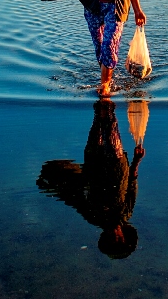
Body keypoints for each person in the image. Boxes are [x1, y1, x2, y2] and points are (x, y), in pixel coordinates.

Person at [37, 100, 145, 259]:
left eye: (111, 239)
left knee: (98, 119)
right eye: (119, 239)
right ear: (123, 235)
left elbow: (74, 196)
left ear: (105, 237)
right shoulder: (125, 213)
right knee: (109, 121)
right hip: (116, 164)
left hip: (94, 163)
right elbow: (132, 184)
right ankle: (106, 91)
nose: (115, 236)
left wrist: (50, 183)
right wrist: (136, 160)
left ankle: (104, 91)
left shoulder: (94, 216)